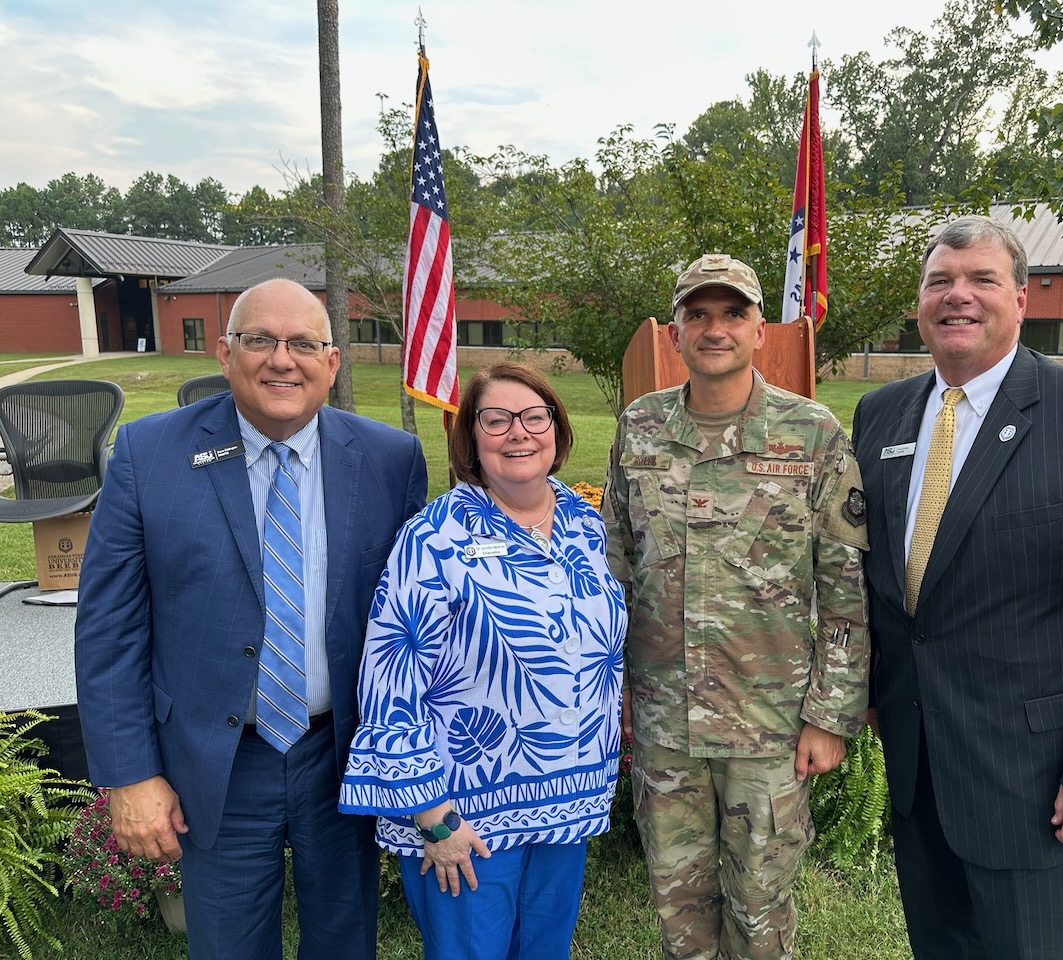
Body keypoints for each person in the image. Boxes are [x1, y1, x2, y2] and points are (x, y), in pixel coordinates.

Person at [851, 215, 1063, 959]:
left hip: (1040, 786)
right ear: (919, 301)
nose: (957, 297)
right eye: (939, 281)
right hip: (922, 774)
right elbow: (880, 583)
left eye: (981, 280)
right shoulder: (880, 415)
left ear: (1023, 297)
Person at [74, 277, 427, 960]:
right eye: (259, 340)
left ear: (332, 362)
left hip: (342, 758)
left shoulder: (390, 459)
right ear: (226, 353)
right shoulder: (149, 456)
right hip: (220, 762)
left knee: (344, 943)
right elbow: (109, 630)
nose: (280, 359)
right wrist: (129, 775)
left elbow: (415, 620)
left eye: (302, 343)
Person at [602, 253, 869, 960]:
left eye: (732, 314)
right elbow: (616, 567)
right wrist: (614, 696)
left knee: (759, 912)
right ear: (675, 334)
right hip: (664, 723)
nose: (714, 328)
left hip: (770, 725)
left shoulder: (812, 433)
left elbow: (844, 587)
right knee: (679, 906)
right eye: (698, 314)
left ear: (759, 329)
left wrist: (830, 715)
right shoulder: (640, 428)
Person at [339, 361, 626, 960]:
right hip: (465, 818)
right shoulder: (435, 537)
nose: (518, 432)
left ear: (557, 429)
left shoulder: (586, 524)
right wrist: (434, 818)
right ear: (471, 439)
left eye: (533, 417)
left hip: (568, 804)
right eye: (495, 421)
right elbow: (391, 678)